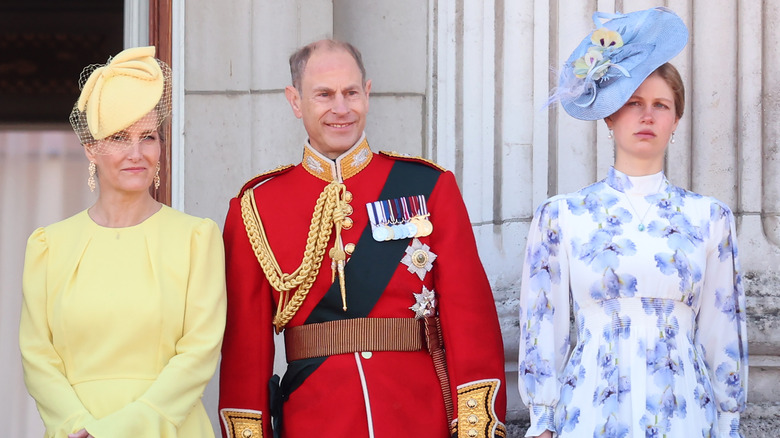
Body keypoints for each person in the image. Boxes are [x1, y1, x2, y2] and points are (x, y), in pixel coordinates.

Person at [218, 39, 507, 438]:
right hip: (316, 420)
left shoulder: (427, 186)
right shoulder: (257, 207)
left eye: (351, 92)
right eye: (324, 95)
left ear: (367, 94)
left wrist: (475, 428)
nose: (341, 108)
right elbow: (244, 354)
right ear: (295, 101)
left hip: (419, 417)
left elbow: (470, 321)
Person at [518, 7, 748, 438]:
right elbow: (542, 325)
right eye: (633, 103)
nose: (647, 115)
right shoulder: (562, 215)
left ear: (675, 119)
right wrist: (543, 420)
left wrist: (729, 419)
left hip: (685, 411)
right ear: (609, 115)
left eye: (660, 105)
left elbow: (723, 329)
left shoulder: (709, 217)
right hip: (588, 408)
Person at [19, 46, 227, 438]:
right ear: (91, 148)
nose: (136, 153)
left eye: (147, 137)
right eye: (119, 136)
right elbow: (37, 357)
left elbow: (199, 354)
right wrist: (79, 428)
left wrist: (121, 429)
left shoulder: (196, 238)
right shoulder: (48, 246)